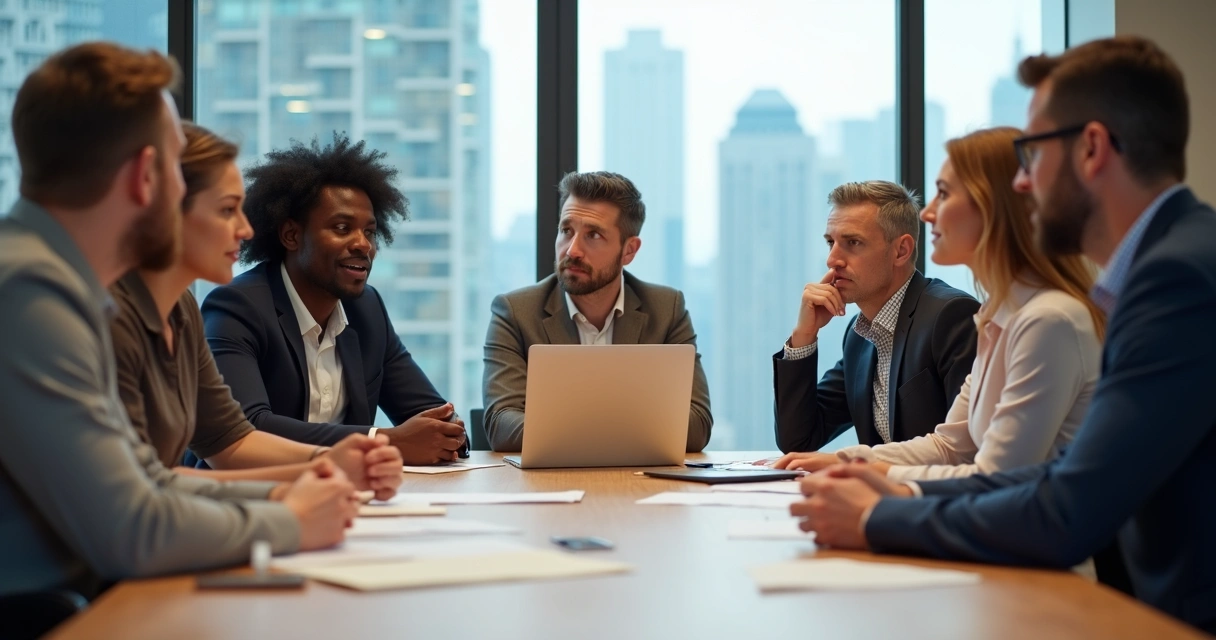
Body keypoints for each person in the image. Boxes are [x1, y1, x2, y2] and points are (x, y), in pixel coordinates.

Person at [791, 36, 1216, 633]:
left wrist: (878, 515)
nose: (1023, 185)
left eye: (1033, 154)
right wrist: (876, 480)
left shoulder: (1175, 279)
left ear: (1092, 148)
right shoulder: (1165, 265)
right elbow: (1043, 475)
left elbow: (1070, 505)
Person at [0, 42, 356, 598]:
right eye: (174, 163)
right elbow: (132, 527)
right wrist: (290, 523)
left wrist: (290, 496)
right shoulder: (31, 295)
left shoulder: (61, 284)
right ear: (147, 176)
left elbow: (150, 481)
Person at [773, 128, 1104, 480]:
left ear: (993, 208)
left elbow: (993, 476)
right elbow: (951, 446)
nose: (928, 213)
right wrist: (803, 337)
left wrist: (870, 478)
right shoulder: (996, 314)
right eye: (830, 243)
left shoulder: (1009, 318)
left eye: (943, 195)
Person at [109, 122, 404, 497]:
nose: (247, 230)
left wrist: (333, 465)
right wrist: (292, 499)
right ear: (166, 206)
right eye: (228, 209)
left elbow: (230, 439)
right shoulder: (108, 312)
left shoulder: (181, 309)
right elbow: (134, 493)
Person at [201, 132, 467, 466]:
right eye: (342, 228)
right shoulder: (237, 307)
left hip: (343, 497)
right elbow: (247, 428)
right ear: (291, 235)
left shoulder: (367, 310)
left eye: (370, 232)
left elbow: (434, 420)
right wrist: (382, 440)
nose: (363, 244)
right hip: (242, 499)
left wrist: (447, 432)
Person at [483, 171, 712, 452]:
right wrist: (631, 430)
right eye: (566, 231)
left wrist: (571, 432)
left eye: (593, 235)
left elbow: (698, 425)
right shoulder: (515, 312)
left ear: (629, 250)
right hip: (550, 487)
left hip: (638, 487)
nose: (572, 250)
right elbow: (501, 423)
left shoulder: (666, 309)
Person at [772, 181, 980, 454]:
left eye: (853, 242)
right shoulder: (859, 337)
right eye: (830, 242)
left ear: (901, 251)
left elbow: (969, 449)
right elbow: (797, 440)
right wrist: (804, 336)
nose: (832, 260)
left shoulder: (951, 315)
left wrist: (850, 463)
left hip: (935, 493)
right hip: (883, 493)